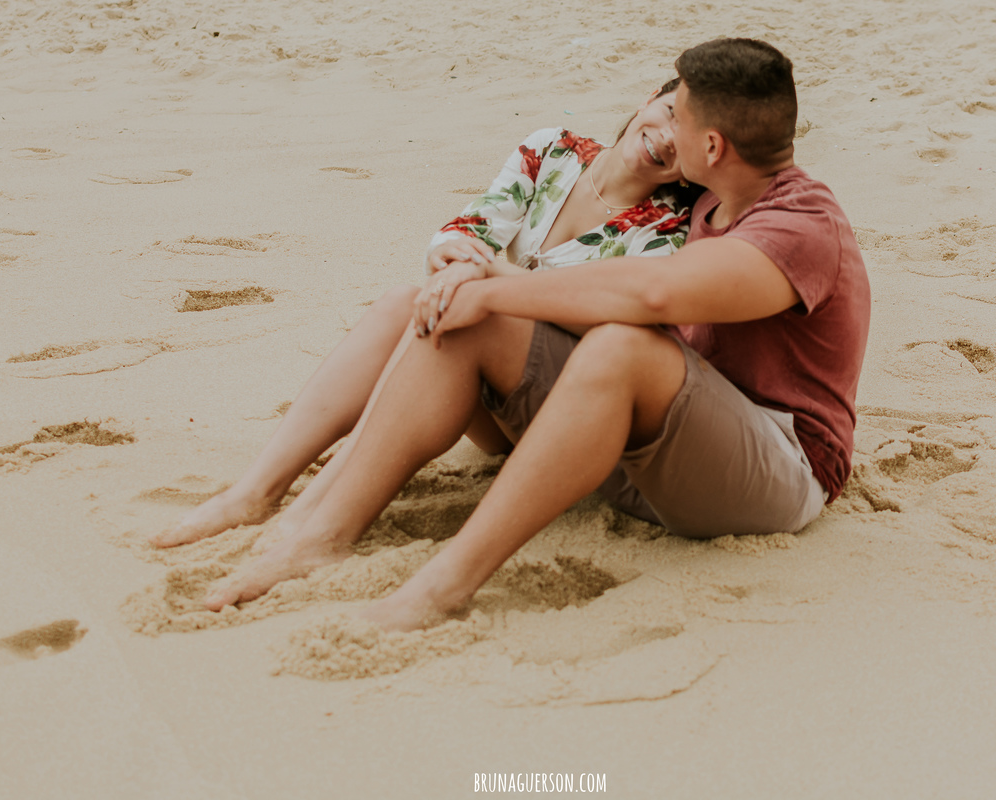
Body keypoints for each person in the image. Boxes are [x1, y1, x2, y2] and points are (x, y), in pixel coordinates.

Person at [200, 37, 872, 632]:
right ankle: (316, 532)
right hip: (656, 456)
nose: (669, 128)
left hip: (779, 469)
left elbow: (654, 294)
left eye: (683, 116)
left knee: (617, 343)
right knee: (465, 317)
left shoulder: (801, 223)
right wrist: (476, 291)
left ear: (712, 147)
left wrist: (492, 284)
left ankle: (442, 588)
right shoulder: (715, 198)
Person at [150, 81, 694, 550]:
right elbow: (468, 230)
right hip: (483, 384)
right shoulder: (553, 149)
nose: (667, 137)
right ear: (649, 98)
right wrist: (461, 264)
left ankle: (318, 507)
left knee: (461, 310)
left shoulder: (666, 232)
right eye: (669, 112)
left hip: (557, 405)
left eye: (686, 136)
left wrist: (484, 277)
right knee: (400, 303)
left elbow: (593, 313)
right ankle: (254, 492)